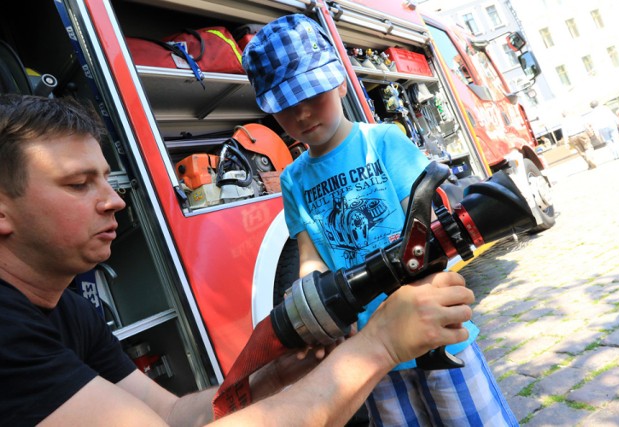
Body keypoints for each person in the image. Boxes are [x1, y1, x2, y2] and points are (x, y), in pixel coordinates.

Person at [0, 93, 475, 426]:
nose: (115, 201)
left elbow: (169, 417)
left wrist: (268, 379)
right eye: (79, 184)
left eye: (106, 180)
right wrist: (378, 346)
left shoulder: (66, 310)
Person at [242, 14, 517, 427]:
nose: (302, 113)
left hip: (429, 320)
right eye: (285, 107)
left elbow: (425, 226)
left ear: (336, 80)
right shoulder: (293, 179)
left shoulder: (384, 141)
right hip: (366, 348)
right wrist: (310, 307)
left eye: (312, 94)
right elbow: (310, 256)